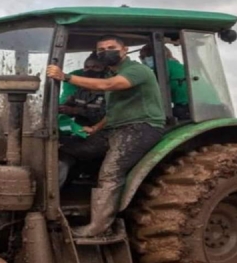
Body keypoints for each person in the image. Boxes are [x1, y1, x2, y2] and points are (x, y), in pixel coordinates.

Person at [47, 35, 165, 237]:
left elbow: (109, 86)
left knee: (110, 172)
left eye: (111, 47)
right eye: (101, 49)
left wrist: (65, 77)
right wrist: (94, 128)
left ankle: (98, 228)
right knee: (68, 147)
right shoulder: (112, 72)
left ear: (124, 50)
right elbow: (114, 112)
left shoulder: (136, 70)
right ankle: (54, 202)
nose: (105, 52)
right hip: (114, 128)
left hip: (141, 128)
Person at [58, 53, 108, 188]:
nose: (90, 70)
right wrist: (62, 107)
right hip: (81, 132)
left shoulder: (110, 91)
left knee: (58, 147)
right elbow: (70, 104)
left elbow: (108, 115)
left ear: (105, 69)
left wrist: (76, 111)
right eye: (87, 67)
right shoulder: (81, 91)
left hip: (103, 134)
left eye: (96, 67)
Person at [139, 45, 190, 120]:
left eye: (145, 57)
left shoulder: (161, 68)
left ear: (156, 56)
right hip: (197, 105)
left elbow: (153, 92)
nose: (144, 60)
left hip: (187, 107)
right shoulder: (177, 65)